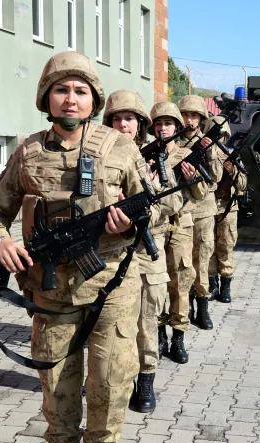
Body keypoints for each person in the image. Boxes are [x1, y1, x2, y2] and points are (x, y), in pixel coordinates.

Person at [0, 52, 159, 443]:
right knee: (57, 382)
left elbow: (154, 207)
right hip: (51, 289)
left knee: (110, 380)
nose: (71, 99)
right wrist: (1, 242)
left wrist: (130, 222)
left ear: (93, 100)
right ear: (47, 97)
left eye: (81, 91)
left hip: (112, 286)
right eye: (62, 90)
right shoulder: (27, 152)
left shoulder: (121, 147)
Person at [101, 90, 193, 413]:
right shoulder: (99, 156)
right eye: (116, 119)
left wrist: (141, 215)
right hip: (110, 249)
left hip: (146, 247)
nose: (123, 124)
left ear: (140, 124)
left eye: (129, 118)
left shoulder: (155, 157)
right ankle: (115, 378)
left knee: (147, 317)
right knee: (112, 320)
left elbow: (173, 200)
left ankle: (146, 379)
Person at [154, 101, 209, 364]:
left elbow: (202, 193)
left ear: (176, 127)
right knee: (155, 285)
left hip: (181, 226)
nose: (163, 128)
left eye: (168, 123)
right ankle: (159, 334)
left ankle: (178, 336)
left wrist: (192, 178)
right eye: (158, 123)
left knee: (180, 282)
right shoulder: (145, 155)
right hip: (155, 227)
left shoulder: (187, 154)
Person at [176, 95, 222, 330]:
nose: (189, 120)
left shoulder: (208, 143)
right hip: (179, 211)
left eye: (194, 116)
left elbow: (217, 177)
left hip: (203, 210)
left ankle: (202, 307)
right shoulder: (172, 143)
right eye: (185, 115)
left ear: (201, 119)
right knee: (182, 265)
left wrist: (210, 152)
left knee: (202, 261)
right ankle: (185, 310)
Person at [207, 116, 246, 303]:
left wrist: (232, 171)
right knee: (208, 246)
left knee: (226, 245)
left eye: (222, 135)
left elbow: (243, 184)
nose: (219, 138)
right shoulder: (204, 154)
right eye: (216, 134)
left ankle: (225, 285)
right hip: (208, 207)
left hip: (227, 208)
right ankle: (212, 283)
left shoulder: (232, 155)